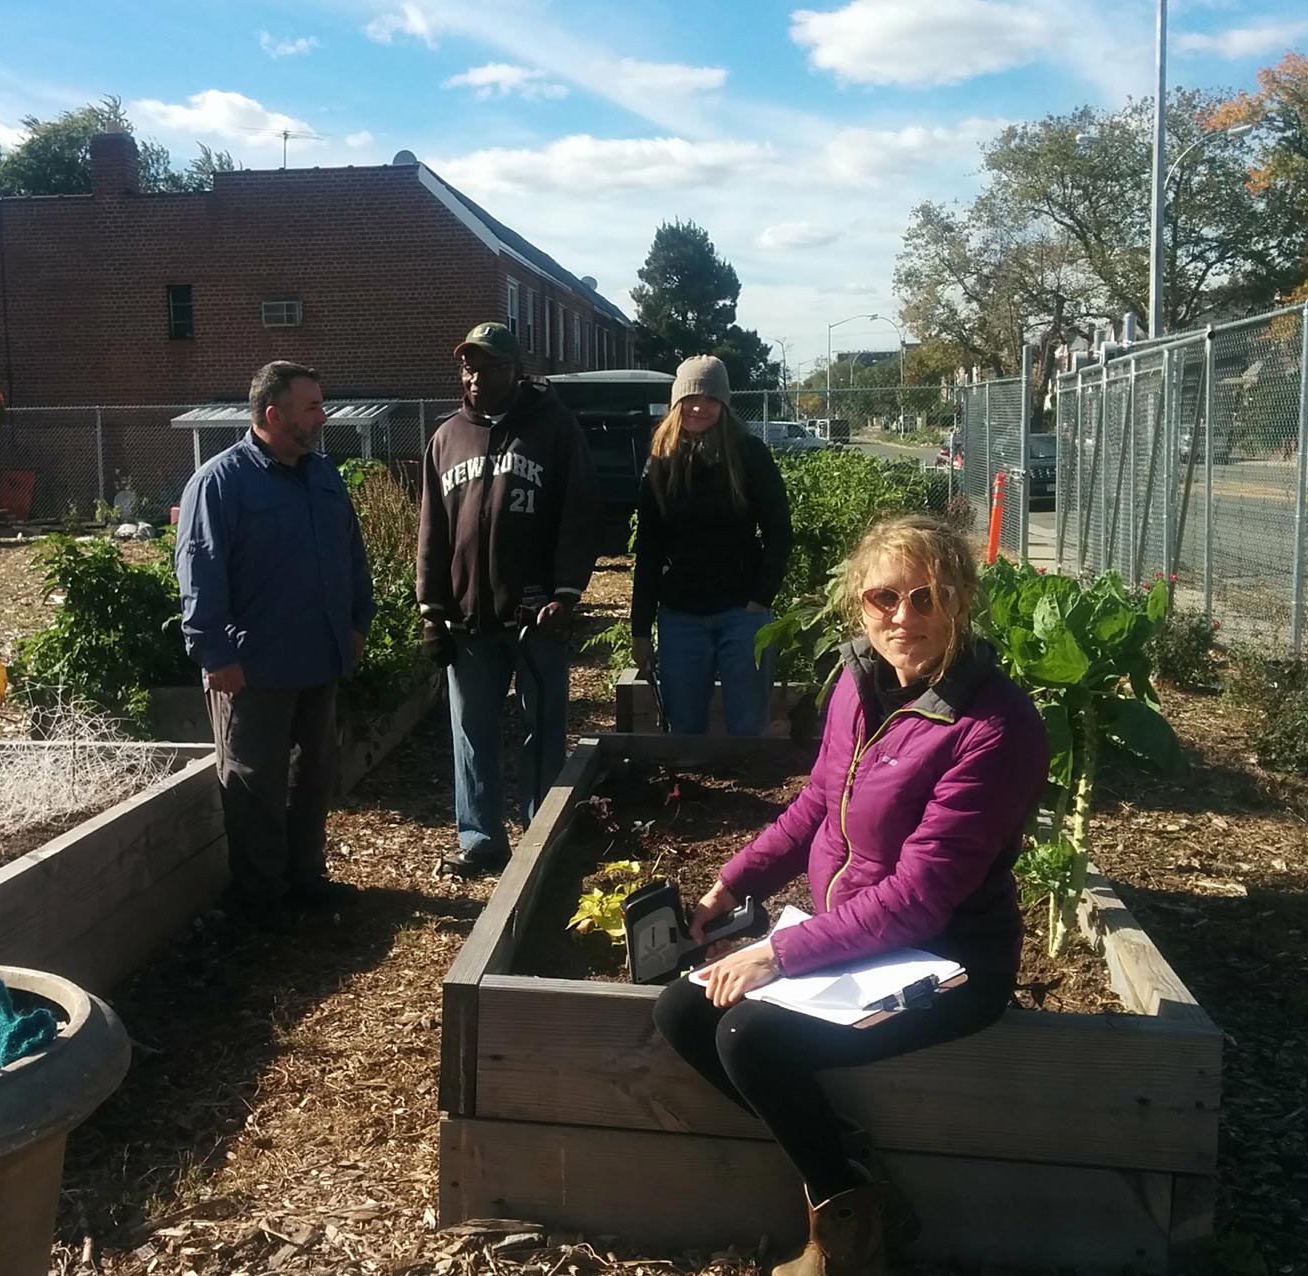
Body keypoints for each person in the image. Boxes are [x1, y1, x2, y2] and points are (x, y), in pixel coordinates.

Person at [651, 513, 1049, 1275]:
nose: (904, 617)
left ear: (962, 600)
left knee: (749, 1035)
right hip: (863, 947)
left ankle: (848, 1240)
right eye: (884, 598)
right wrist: (733, 881)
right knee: (682, 1011)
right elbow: (816, 804)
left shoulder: (994, 727)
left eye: (927, 598)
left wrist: (779, 954)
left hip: (947, 960)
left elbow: (920, 899)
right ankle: (855, 1179)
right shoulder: (859, 683)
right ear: (858, 605)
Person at [176, 361, 375, 933]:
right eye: (312, 406)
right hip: (253, 670)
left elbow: (350, 555)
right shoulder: (220, 482)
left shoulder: (324, 476)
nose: (323, 415)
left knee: (314, 778)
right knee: (253, 786)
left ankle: (306, 880)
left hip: (320, 659)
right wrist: (216, 654)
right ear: (274, 414)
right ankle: (262, 902)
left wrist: (358, 622)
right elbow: (200, 573)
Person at [417, 322, 600, 878]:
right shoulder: (446, 438)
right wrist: (431, 610)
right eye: (468, 367)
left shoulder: (555, 429)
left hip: (537, 617)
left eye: (488, 366)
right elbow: (433, 530)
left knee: (542, 728)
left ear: (515, 369)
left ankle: (540, 832)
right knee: (471, 732)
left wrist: (568, 593)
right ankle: (480, 840)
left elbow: (579, 515)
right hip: (469, 621)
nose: (475, 378)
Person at [630, 354, 792, 736]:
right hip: (681, 614)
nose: (699, 407)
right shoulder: (660, 462)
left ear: (724, 404)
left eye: (710, 398)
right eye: (690, 398)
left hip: (742, 613)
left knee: (747, 728)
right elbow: (649, 550)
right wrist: (640, 629)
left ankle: (750, 795)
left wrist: (760, 599)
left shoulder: (750, 455)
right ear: (676, 403)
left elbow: (779, 532)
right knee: (684, 731)